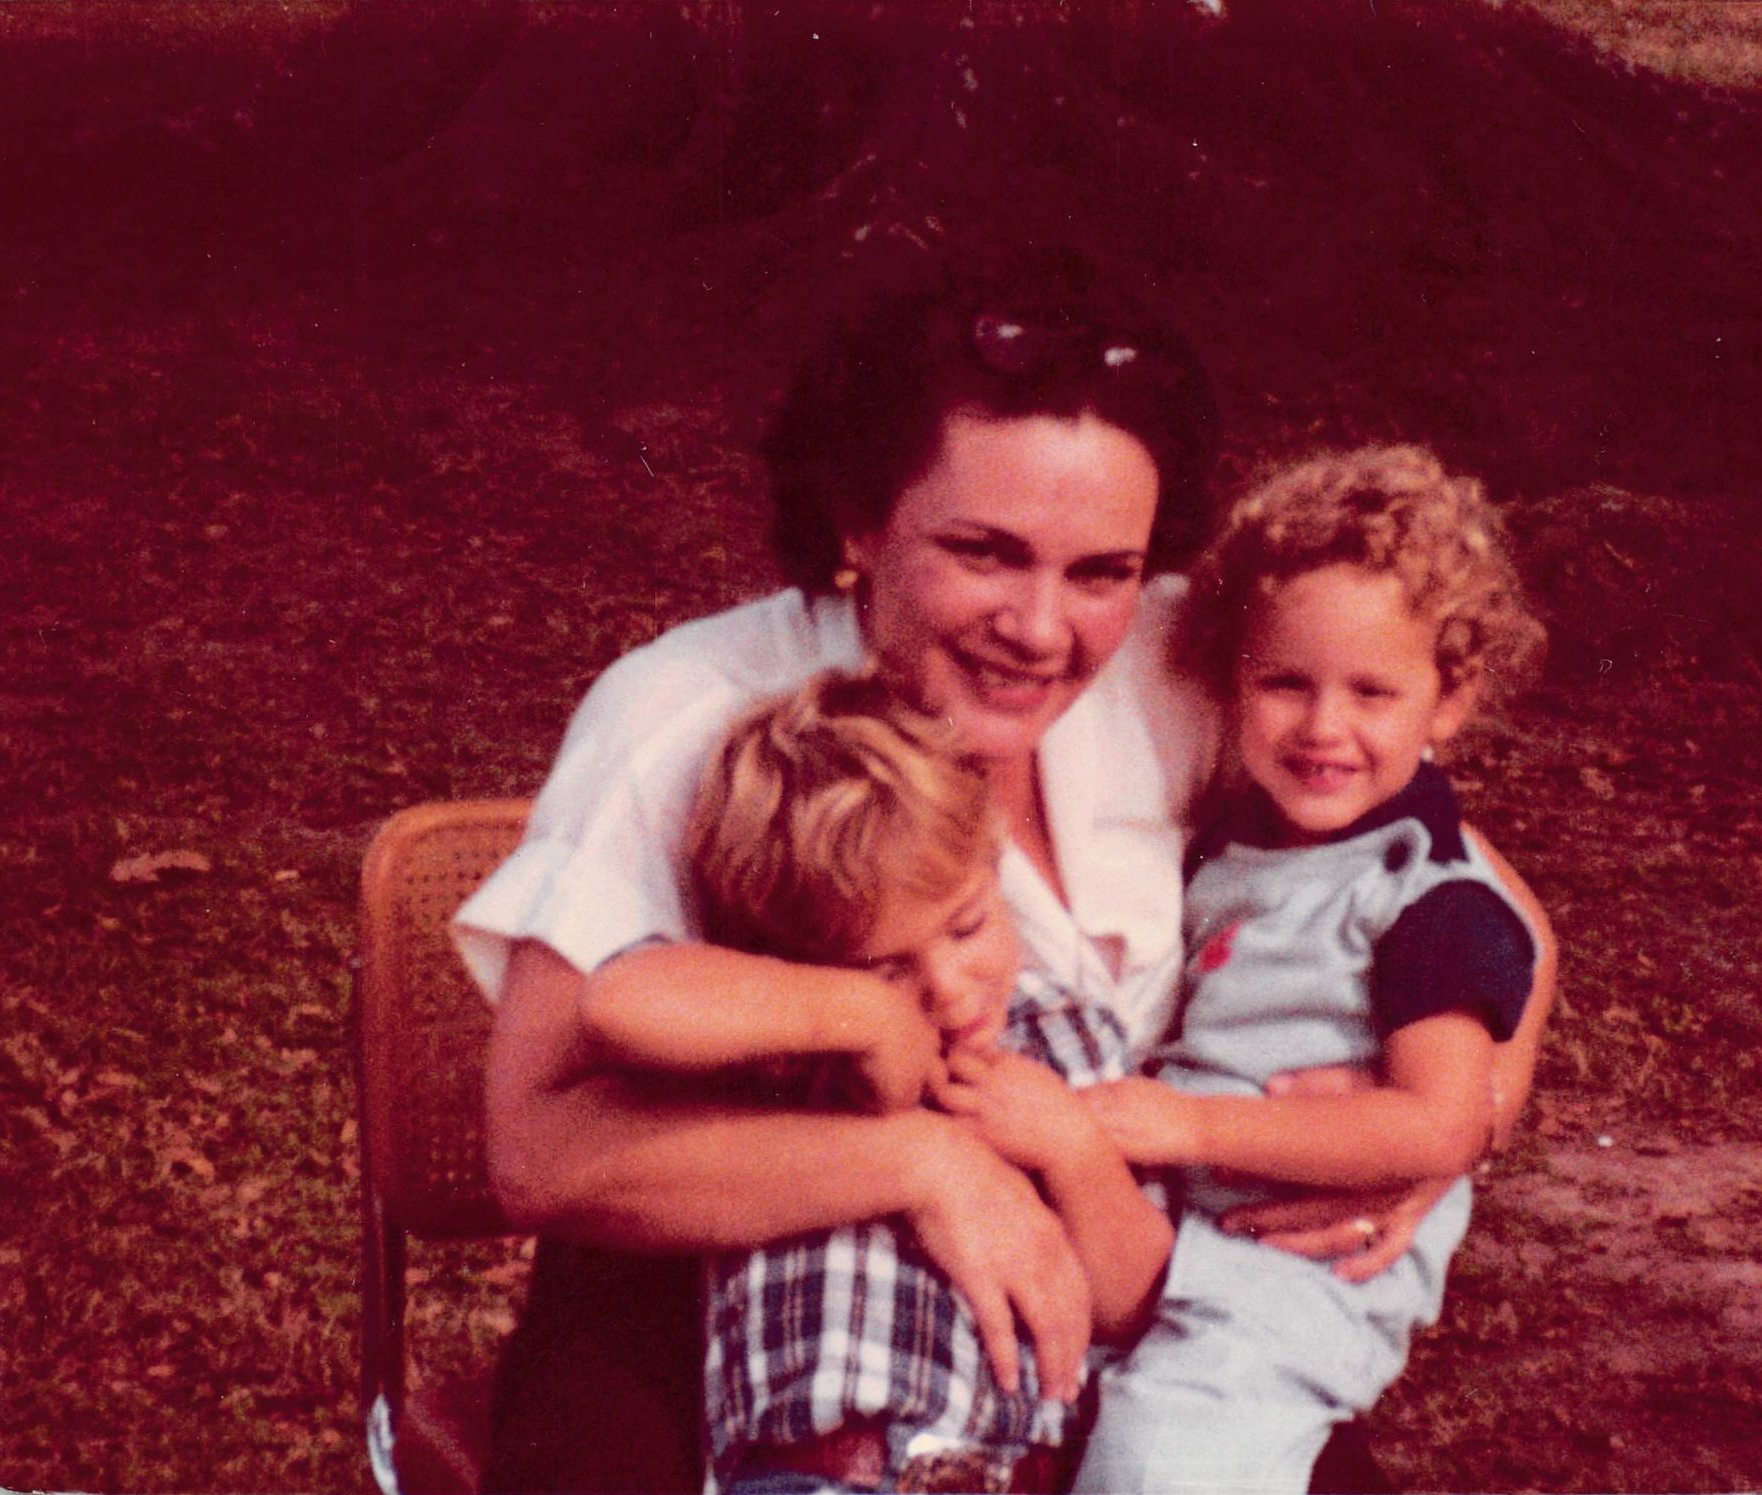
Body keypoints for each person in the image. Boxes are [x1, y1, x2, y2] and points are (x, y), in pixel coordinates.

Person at [452, 247, 1556, 1492]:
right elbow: (536, 1148)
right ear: (858, 521)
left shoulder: (1171, 669)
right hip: (733, 1285)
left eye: (1101, 571)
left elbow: (1489, 903)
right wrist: (923, 1162)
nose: (1042, 629)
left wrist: (1437, 1139)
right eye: (985, 551)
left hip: (1099, 1284)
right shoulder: (692, 709)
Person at [1070, 446, 1547, 1494]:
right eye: (1284, 682)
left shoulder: (1428, 898)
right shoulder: (1243, 843)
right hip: (1183, 1239)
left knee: (1159, 1465)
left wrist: (1188, 1126)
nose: (1323, 727)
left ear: (1449, 700)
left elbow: (1438, 1122)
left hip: (1298, 1278)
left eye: (1372, 692)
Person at [621, 668, 1171, 1493]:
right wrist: (859, 1014)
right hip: (821, 1472)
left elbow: (1139, 1304)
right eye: (883, 967)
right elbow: (620, 1002)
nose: (947, 988)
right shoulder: (790, 1054)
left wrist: (1077, 1153)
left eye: (967, 924)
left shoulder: (1069, 1034)